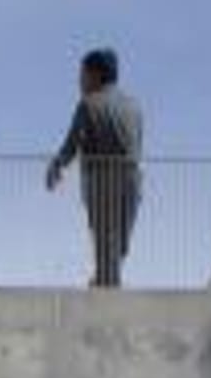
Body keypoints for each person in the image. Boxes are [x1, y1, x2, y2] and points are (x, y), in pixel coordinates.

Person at [45, 48, 145, 288]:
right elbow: (138, 144)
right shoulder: (135, 106)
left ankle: (106, 288)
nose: (79, 81)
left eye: (82, 74)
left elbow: (71, 145)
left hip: (101, 181)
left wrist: (56, 166)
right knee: (119, 241)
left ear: (96, 75)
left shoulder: (88, 104)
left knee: (103, 236)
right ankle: (107, 279)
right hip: (132, 180)